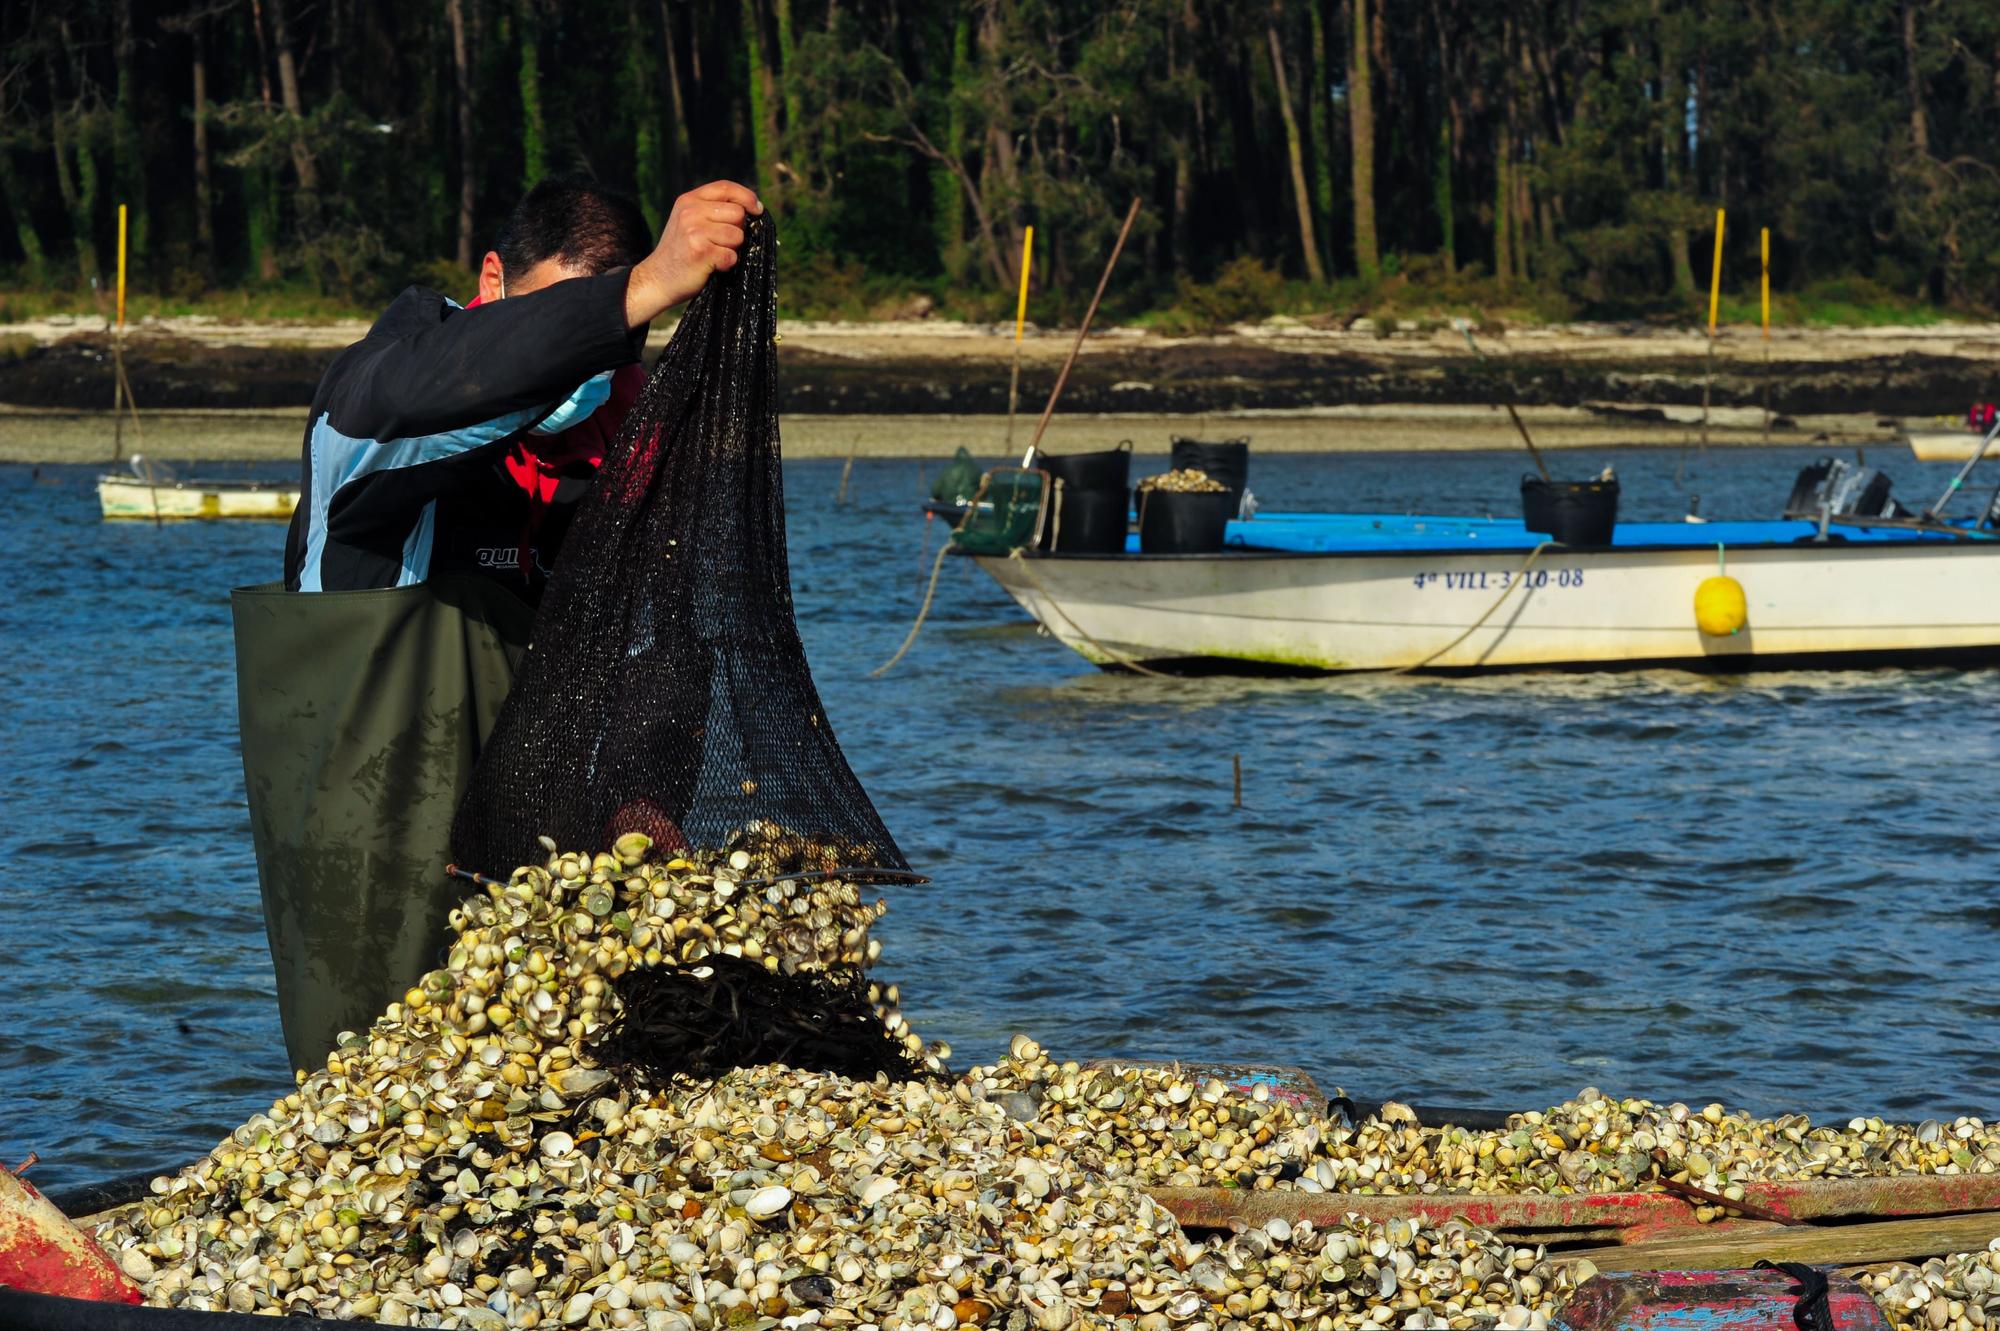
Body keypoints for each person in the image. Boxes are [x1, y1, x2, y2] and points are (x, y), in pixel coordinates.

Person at [235, 177, 761, 1073]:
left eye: (613, 338)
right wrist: (635, 292)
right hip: (370, 847)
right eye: (567, 313)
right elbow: (440, 388)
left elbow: (662, 640)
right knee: (376, 1094)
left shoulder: (620, 431)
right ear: (491, 281)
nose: (581, 368)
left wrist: (646, 795)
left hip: (540, 854)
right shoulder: (377, 401)